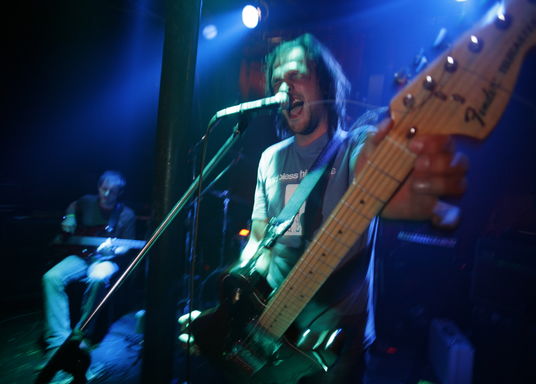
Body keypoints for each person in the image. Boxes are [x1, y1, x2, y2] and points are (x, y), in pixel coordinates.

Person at [183, 33, 468, 384]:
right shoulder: (269, 159)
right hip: (265, 331)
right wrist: (228, 314)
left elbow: (379, 166)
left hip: (329, 348)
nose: (283, 86)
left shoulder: (355, 148)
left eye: (296, 75)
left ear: (323, 82)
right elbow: (259, 242)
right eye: (276, 81)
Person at [38, 170, 136, 371]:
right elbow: (73, 206)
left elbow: (127, 246)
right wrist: (70, 217)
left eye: (112, 191)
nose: (107, 194)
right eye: (104, 188)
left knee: (98, 277)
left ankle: (81, 335)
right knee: (51, 277)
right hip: (81, 256)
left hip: (108, 259)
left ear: (120, 193)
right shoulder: (86, 201)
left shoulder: (126, 214)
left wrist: (115, 249)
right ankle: (57, 340)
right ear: (99, 187)